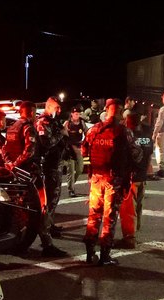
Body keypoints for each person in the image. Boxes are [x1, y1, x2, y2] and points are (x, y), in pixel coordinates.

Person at [3, 101, 69, 257]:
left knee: (21, 211)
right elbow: (30, 151)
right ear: (31, 112)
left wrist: (11, 165)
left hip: (17, 176)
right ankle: (47, 245)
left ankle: (18, 243)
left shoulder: (12, 128)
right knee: (41, 209)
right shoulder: (28, 128)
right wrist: (18, 164)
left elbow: (5, 150)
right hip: (30, 174)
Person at [81, 100, 137, 265]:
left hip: (96, 179)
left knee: (93, 216)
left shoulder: (94, 130)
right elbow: (136, 154)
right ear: (119, 112)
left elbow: (84, 150)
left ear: (106, 110)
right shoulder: (124, 131)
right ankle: (105, 255)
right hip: (113, 180)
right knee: (109, 218)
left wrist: (91, 171)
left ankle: (90, 253)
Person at [118, 104, 153, 249]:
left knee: (128, 209)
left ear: (128, 121)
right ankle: (136, 229)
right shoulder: (147, 134)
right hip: (142, 176)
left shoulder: (127, 136)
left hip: (130, 177)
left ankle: (129, 238)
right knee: (138, 205)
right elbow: (149, 155)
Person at [35, 97, 67, 238]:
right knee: (50, 198)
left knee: (54, 197)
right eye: (56, 107)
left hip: (56, 164)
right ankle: (45, 228)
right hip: (48, 166)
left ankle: (49, 224)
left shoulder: (53, 121)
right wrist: (61, 133)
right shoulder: (43, 122)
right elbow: (47, 143)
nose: (59, 110)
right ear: (48, 107)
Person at [62, 106, 87, 197]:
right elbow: (63, 136)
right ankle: (71, 190)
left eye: (79, 114)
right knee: (71, 171)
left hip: (78, 148)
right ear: (72, 114)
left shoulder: (82, 123)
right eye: (76, 114)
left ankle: (72, 183)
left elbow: (87, 133)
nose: (77, 115)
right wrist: (69, 147)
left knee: (80, 169)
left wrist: (84, 143)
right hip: (70, 149)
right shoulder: (67, 123)